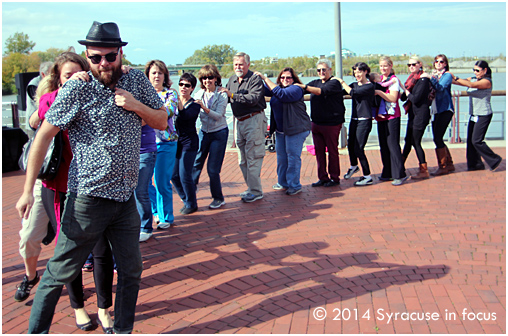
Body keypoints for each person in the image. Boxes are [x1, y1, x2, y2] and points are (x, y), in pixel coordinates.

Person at [15, 21, 167, 334]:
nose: (103, 64)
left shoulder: (136, 80)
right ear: (87, 55)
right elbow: (43, 135)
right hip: (88, 198)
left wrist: (135, 105)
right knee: (60, 271)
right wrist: (27, 190)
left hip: (124, 199)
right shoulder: (78, 88)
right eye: (95, 58)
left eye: (109, 56)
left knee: (132, 270)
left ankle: (122, 328)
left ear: (121, 52)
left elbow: (162, 120)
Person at [255, 67, 311, 195]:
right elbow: (263, 90)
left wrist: (265, 78)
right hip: (281, 130)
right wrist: (253, 78)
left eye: (288, 77)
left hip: (296, 129)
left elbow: (282, 95)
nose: (285, 80)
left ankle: (294, 185)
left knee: (293, 157)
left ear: (293, 79)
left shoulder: (296, 89)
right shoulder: (276, 89)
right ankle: (283, 182)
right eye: (282, 77)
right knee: (281, 158)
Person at [221, 52, 267, 203]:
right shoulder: (232, 79)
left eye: (241, 64)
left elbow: (253, 99)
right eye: (236, 65)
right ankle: (251, 188)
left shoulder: (255, 79)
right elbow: (227, 97)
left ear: (248, 64)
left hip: (254, 119)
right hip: (239, 122)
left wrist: (233, 95)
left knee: (253, 156)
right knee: (242, 159)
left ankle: (256, 191)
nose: (238, 67)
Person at [144, 60, 179, 239]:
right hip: (145, 144)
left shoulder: (170, 94)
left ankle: (166, 216)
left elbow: (169, 112)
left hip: (166, 142)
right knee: (143, 182)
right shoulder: (141, 94)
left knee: (161, 180)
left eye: (160, 73)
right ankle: (155, 210)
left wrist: (148, 111)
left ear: (165, 76)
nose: (156, 76)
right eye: (153, 73)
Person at [297, 59, 345, 188]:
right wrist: (290, 87)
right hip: (316, 123)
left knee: (332, 152)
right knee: (319, 152)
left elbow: (320, 91)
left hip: (332, 124)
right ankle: (322, 177)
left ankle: (334, 178)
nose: (321, 72)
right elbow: (303, 90)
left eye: (324, 69)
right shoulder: (315, 82)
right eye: (319, 70)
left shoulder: (334, 83)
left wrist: (305, 87)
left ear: (330, 70)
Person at [451, 60, 502, 171]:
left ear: (485, 70)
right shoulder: (473, 78)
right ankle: (475, 165)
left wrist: (454, 77)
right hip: (474, 114)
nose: (475, 72)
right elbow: (461, 82)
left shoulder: (487, 82)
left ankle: (494, 159)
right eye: (474, 70)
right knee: (470, 141)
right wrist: (447, 78)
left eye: (477, 70)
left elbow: (471, 85)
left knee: (477, 140)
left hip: (484, 114)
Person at [192, 64, 229, 208]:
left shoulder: (221, 94)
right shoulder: (198, 94)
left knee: (213, 169)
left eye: (210, 77)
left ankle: (218, 198)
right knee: (196, 162)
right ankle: (190, 190)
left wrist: (204, 108)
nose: (207, 81)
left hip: (219, 133)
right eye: (204, 78)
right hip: (203, 132)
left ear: (216, 78)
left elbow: (218, 116)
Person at [336, 62, 376, 186]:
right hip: (354, 119)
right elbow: (343, 92)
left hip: (365, 120)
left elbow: (353, 93)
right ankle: (354, 166)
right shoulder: (354, 85)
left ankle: (367, 176)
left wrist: (342, 82)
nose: (357, 74)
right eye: (355, 72)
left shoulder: (369, 86)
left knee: (359, 149)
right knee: (350, 145)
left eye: (359, 72)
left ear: (365, 72)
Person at [375, 56, 409, 186]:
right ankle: (387, 171)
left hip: (392, 116)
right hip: (381, 116)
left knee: (392, 144)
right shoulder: (380, 79)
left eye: (385, 66)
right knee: (383, 144)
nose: (383, 68)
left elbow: (393, 97)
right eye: (381, 66)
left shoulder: (393, 80)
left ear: (390, 66)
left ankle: (399, 174)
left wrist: (378, 92)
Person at [172, 73, 200, 215]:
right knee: (173, 175)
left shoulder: (195, 105)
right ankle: (185, 198)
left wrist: (178, 104)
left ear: (192, 88)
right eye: (181, 84)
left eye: (187, 85)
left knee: (184, 175)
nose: (183, 87)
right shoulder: (172, 101)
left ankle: (191, 203)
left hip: (189, 144)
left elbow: (186, 117)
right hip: (176, 142)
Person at [400, 56, 432, 179]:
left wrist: (406, 91)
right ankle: (400, 166)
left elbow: (416, 99)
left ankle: (424, 170)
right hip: (413, 115)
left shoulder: (423, 80)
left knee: (415, 141)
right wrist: (405, 90)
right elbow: (403, 98)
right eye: (409, 65)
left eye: (414, 64)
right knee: (408, 140)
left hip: (421, 114)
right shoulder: (412, 79)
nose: (411, 67)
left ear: (420, 65)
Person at [424, 54, 455, 176]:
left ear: (445, 64)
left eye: (441, 62)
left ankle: (443, 166)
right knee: (437, 137)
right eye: (436, 61)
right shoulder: (436, 75)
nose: (438, 63)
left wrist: (431, 78)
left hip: (445, 109)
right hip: (436, 110)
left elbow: (440, 88)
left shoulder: (447, 75)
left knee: (438, 137)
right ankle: (449, 163)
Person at [26, 61, 53, 135]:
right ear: (43, 74)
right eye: (51, 73)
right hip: (34, 124)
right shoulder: (34, 84)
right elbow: (39, 103)